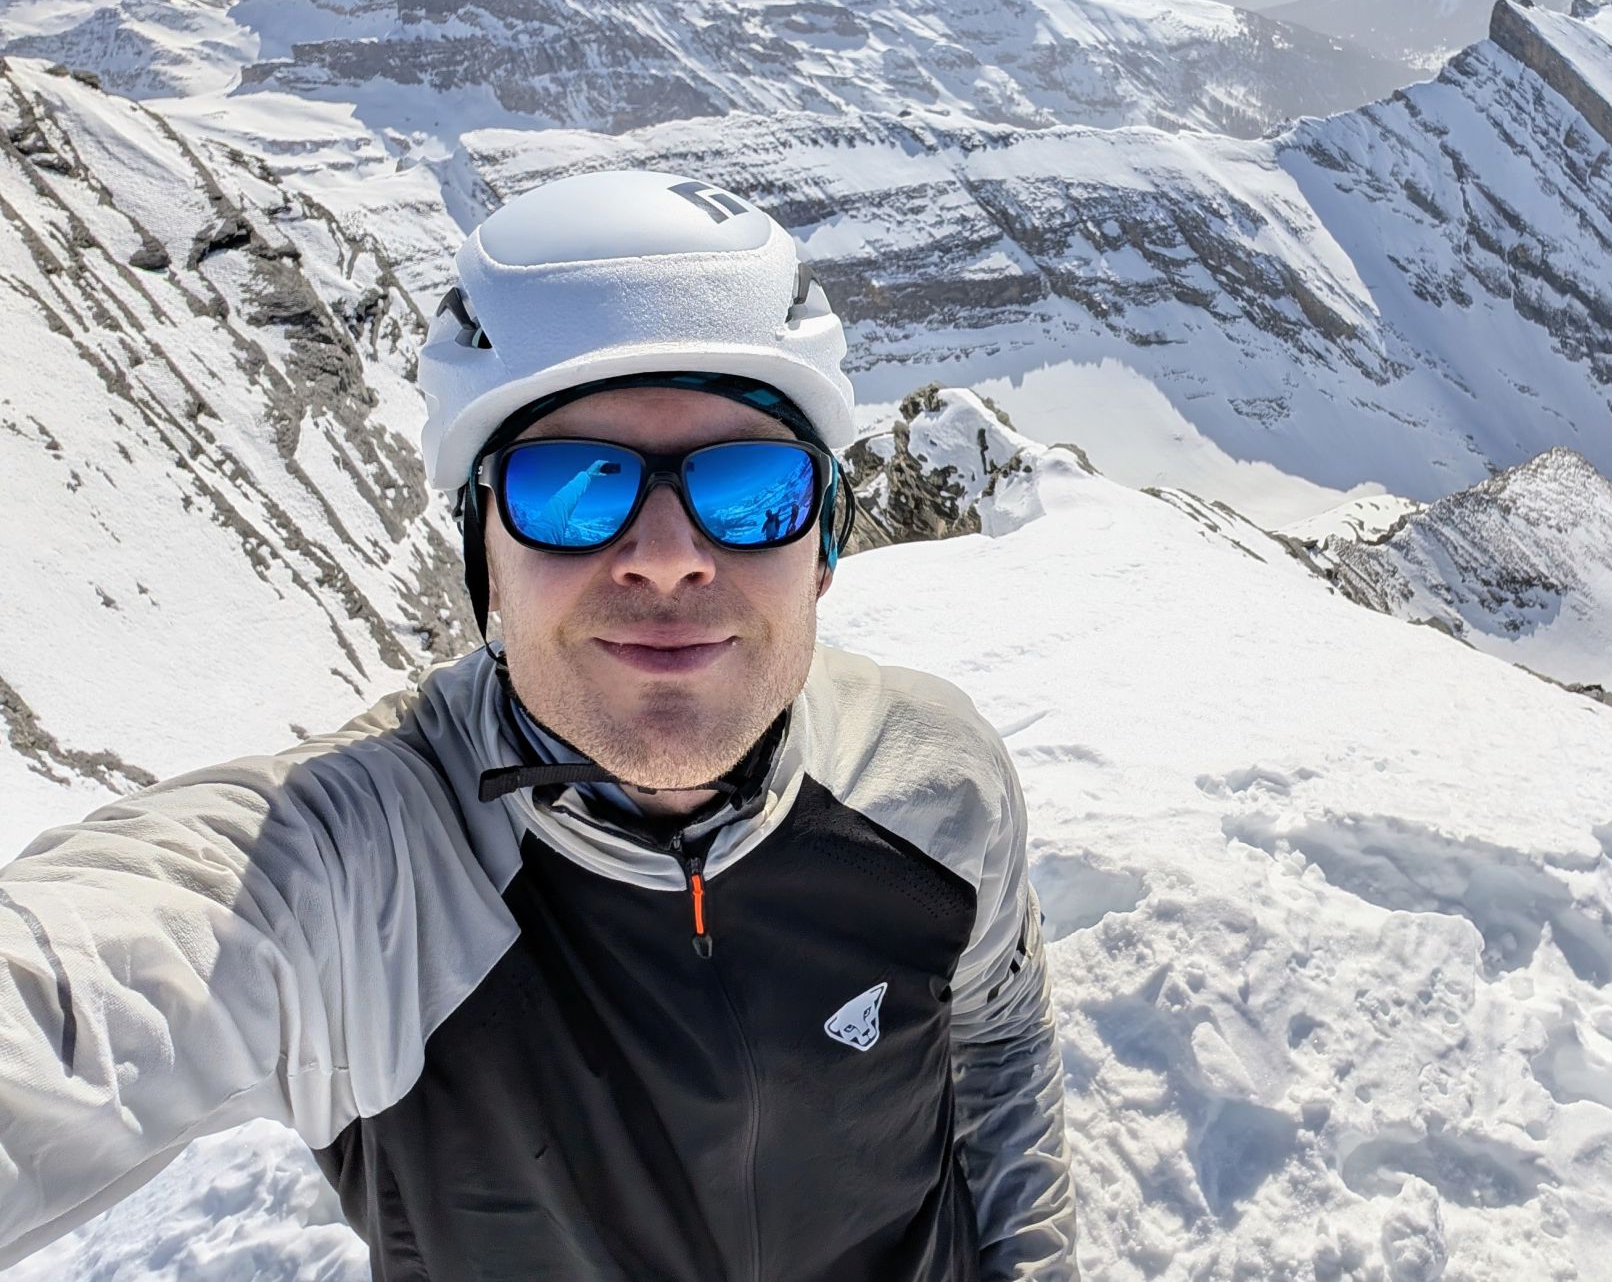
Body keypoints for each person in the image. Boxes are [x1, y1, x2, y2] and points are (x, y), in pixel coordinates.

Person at [0, 169, 1078, 1279]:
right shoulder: (367, 881)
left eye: (751, 486)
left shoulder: (935, 779)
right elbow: (83, 989)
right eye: (573, 488)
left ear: (825, 545)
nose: (669, 556)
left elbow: (997, 1038)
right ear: (485, 553)